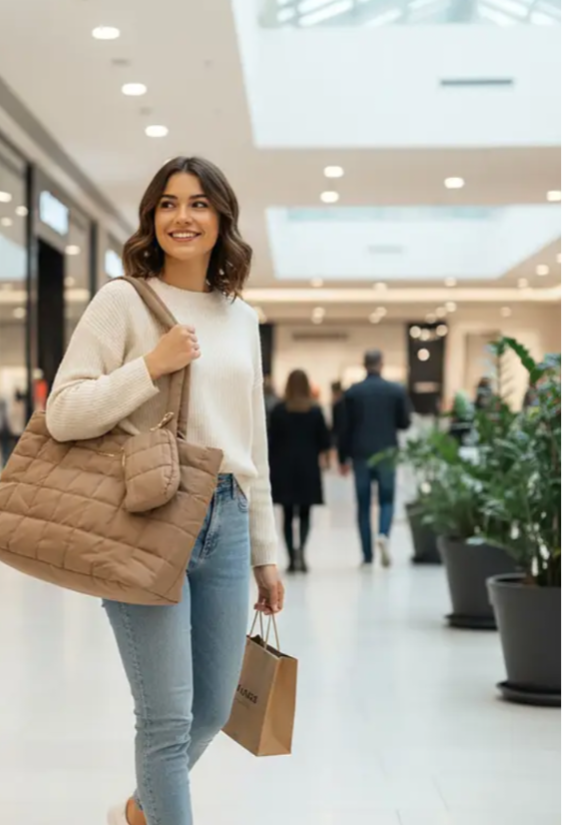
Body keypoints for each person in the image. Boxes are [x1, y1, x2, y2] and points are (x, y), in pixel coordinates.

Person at [44, 156, 284, 825]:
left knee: (211, 706)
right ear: (151, 217)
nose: (183, 216)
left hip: (227, 515)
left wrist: (265, 549)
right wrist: (151, 366)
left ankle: (143, 806)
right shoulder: (122, 300)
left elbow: (252, 441)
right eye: (169, 203)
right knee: (165, 716)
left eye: (200, 203)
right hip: (146, 514)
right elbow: (64, 411)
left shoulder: (241, 317)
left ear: (221, 219)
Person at [338, 350, 411, 567]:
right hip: (386, 451)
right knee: (387, 499)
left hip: (360, 452)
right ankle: (383, 534)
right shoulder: (395, 390)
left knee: (363, 504)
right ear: (382, 364)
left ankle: (367, 554)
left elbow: (344, 429)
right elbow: (405, 422)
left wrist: (342, 458)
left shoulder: (353, 393)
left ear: (364, 364)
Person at [269, 369, 331, 573]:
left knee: (287, 515)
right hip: (308, 467)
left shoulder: (279, 410)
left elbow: (270, 441)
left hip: (283, 467)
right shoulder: (315, 411)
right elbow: (324, 441)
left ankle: (290, 558)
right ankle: (302, 552)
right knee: (305, 513)